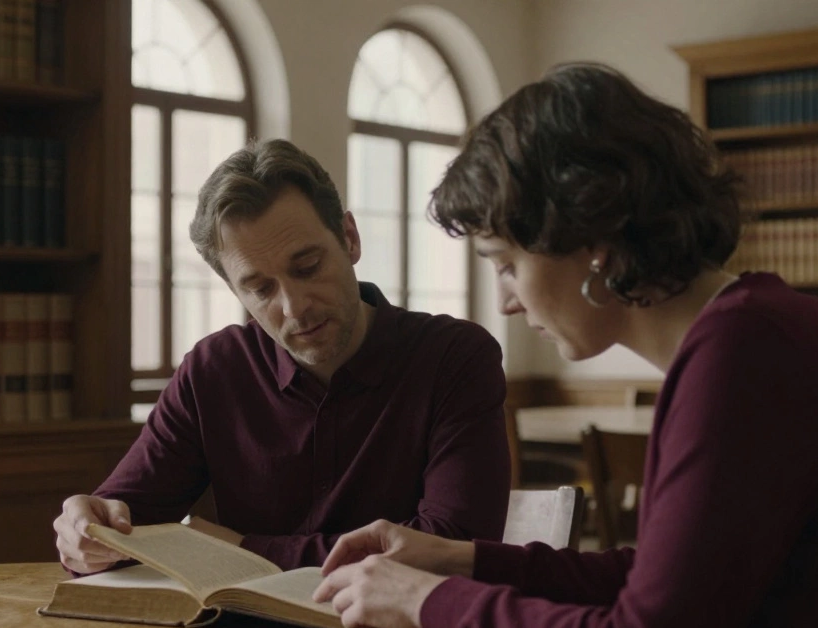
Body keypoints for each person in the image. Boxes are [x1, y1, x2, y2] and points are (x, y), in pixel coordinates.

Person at [314, 63, 818, 628]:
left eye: (507, 264)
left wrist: (426, 602)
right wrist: (462, 560)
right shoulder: (748, 333)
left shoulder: (746, 355)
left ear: (591, 238)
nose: (506, 302)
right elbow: (660, 584)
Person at [54, 138, 510, 573]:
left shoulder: (455, 358)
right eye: (260, 288)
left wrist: (241, 550)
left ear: (349, 238)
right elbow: (123, 529)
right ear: (235, 291)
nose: (294, 306)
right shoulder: (213, 371)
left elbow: (452, 549)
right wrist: (88, 535)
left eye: (307, 267)